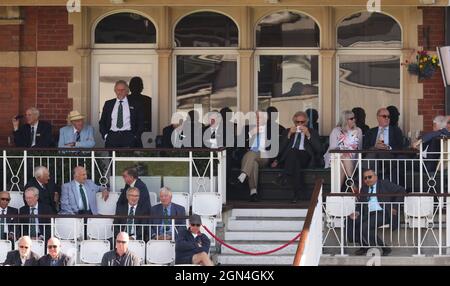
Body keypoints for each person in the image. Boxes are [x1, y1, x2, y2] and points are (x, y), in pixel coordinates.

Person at [347, 169, 405, 256]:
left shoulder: (384, 184)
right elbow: (360, 204)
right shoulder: (364, 188)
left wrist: (395, 207)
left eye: (369, 177)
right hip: (368, 214)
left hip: (383, 212)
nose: (367, 179)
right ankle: (364, 246)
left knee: (365, 226)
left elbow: (401, 190)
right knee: (352, 220)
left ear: (376, 177)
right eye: (365, 178)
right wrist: (357, 212)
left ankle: (384, 248)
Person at [271, 111, 322, 202]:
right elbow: (280, 150)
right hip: (291, 158)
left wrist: (308, 135)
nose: (300, 124)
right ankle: (296, 193)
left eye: (302, 122)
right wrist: (289, 134)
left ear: (306, 122)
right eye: (297, 122)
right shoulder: (287, 131)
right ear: (294, 122)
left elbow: (319, 149)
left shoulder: (312, 132)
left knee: (293, 153)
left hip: (305, 157)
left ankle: (284, 175)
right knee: (294, 159)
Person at [236, 111, 270, 202]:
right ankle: (253, 192)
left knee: (252, 153)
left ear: (266, 119)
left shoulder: (271, 129)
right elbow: (238, 142)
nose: (258, 120)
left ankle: (243, 175)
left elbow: (274, 146)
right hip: (250, 157)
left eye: (260, 118)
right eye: (256, 118)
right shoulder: (247, 128)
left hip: (264, 155)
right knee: (253, 162)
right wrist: (250, 134)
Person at [323, 110, 362, 190]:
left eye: (354, 118)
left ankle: (336, 192)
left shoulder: (358, 130)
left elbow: (359, 147)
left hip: (352, 159)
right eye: (351, 118)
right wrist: (344, 150)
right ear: (345, 120)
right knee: (344, 157)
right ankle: (352, 185)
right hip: (335, 157)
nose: (354, 120)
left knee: (344, 162)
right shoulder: (336, 131)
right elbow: (333, 148)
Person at [99, 80, 144, 148]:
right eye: (118, 90)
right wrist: (106, 136)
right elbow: (102, 121)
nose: (120, 92)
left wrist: (135, 136)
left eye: (122, 90)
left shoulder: (135, 104)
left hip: (128, 136)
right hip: (112, 137)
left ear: (127, 91)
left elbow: (141, 122)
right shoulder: (108, 104)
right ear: (115, 91)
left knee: (128, 158)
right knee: (112, 158)